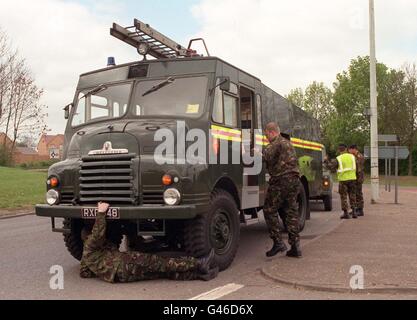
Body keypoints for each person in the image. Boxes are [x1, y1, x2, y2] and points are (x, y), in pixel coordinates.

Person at [80, 202, 219, 283]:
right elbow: (97, 234)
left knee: (160, 272)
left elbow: (84, 273)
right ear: (88, 237)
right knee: (160, 263)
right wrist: (101, 213)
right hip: (123, 264)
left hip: (120, 275)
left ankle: (199, 274)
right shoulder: (91, 245)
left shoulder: (87, 256)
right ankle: (198, 263)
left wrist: (101, 269)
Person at [261, 122, 302, 258]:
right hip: (294, 180)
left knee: (269, 209)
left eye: (266, 134)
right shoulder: (288, 143)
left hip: (281, 181)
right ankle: (295, 247)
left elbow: (266, 156)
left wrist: (255, 152)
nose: (266, 137)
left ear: (272, 132)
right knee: (291, 212)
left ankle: (278, 243)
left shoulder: (276, 143)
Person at [324, 144, 358, 219]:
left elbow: (330, 167)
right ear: (346, 149)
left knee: (344, 196)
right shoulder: (352, 157)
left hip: (343, 180)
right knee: (352, 195)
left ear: (339, 150)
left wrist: (326, 160)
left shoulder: (338, 158)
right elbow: (357, 166)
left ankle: (346, 213)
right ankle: (354, 212)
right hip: (352, 178)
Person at [349, 145, 365, 217]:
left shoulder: (359, 156)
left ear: (354, 149)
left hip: (358, 178)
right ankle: (355, 209)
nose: (349, 151)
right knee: (355, 194)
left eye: (350, 150)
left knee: (358, 194)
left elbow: (358, 169)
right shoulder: (354, 156)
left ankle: (360, 210)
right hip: (355, 178)